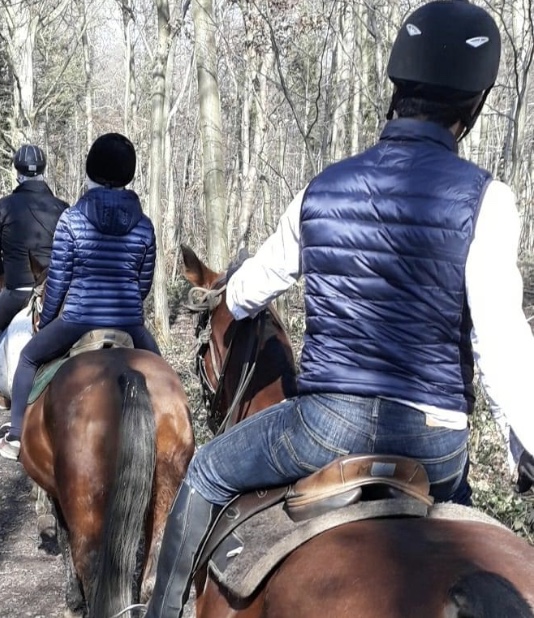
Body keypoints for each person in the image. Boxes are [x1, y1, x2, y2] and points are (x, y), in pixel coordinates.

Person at [144, 2, 534, 617]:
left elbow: (247, 292)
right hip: (437, 444)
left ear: (396, 86)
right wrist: (527, 445)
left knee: (208, 472)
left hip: (327, 427)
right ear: (474, 104)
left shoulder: (321, 189)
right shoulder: (489, 201)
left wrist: (232, 292)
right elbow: (501, 344)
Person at [0, 132, 160, 460]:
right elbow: (143, 284)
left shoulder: (73, 219)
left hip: (78, 319)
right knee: (165, 377)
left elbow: (58, 280)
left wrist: (50, 317)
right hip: (129, 321)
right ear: (129, 173)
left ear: (90, 170)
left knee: (27, 358)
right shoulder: (144, 226)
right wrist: (127, 309)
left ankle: (16, 436)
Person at [0, 145, 69, 410]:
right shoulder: (62, 207)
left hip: (18, 289)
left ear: (17, 172)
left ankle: (3, 388)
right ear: (43, 171)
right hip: (57, 290)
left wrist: (0, 271)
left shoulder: (4, 206)